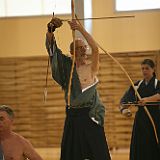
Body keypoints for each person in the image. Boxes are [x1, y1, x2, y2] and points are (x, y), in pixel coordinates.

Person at [45, 17, 111, 160]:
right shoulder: (67, 69)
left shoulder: (91, 67)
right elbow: (53, 53)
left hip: (90, 115)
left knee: (97, 153)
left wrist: (80, 28)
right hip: (73, 116)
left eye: (83, 47)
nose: (82, 50)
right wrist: (50, 30)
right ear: (72, 52)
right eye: (78, 48)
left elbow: (95, 48)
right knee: (72, 154)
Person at [120, 59, 160, 160]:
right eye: (142, 69)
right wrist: (124, 110)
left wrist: (147, 100)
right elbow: (124, 101)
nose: (144, 71)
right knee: (140, 146)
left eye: (147, 68)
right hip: (141, 121)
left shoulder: (157, 84)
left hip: (155, 119)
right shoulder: (137, 85)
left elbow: (159, 95)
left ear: (153, 69)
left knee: (154, 144)